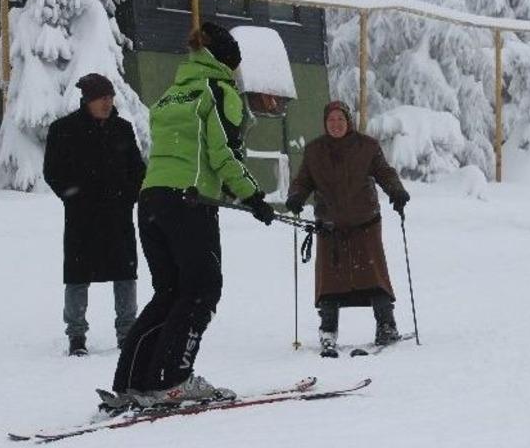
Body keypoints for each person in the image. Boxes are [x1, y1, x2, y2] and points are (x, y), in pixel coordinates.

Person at [107, 22, 275, 408]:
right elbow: (224, 154)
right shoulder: (219, 91)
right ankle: (172, 380)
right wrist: (253, 196)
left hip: (151, 200)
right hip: (190, 203)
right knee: (201, 290)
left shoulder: (172, 93)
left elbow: (186, 150)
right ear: (227, 62)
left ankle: (134, 380)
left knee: (169, 292)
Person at [285, 101, 410, 358]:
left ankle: (386, 326)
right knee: (330, 285)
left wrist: (396, 191)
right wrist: (296, 196)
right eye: (331, 120)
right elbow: (303, 180)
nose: (336, 124)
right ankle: (328, 331)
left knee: (375, 278)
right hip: (330, 228)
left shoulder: (367, 146)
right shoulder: (315, 151)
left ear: (348, 121)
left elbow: (385, 173)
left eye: (340, 119)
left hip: (366, 226)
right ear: (325, 123)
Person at [43, 73, 146, 357]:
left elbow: (137, 168)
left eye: (110, 97)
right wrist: (74, 198)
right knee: (77, 275)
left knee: (125, 273)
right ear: (87, 100)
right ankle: (76, 336)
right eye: (101, 98)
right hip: (82, 217)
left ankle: (127, 333)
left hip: (118, 215)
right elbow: (53, 171)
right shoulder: (64, 129)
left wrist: (128, 196)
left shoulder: (122, 129)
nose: (107, 103)